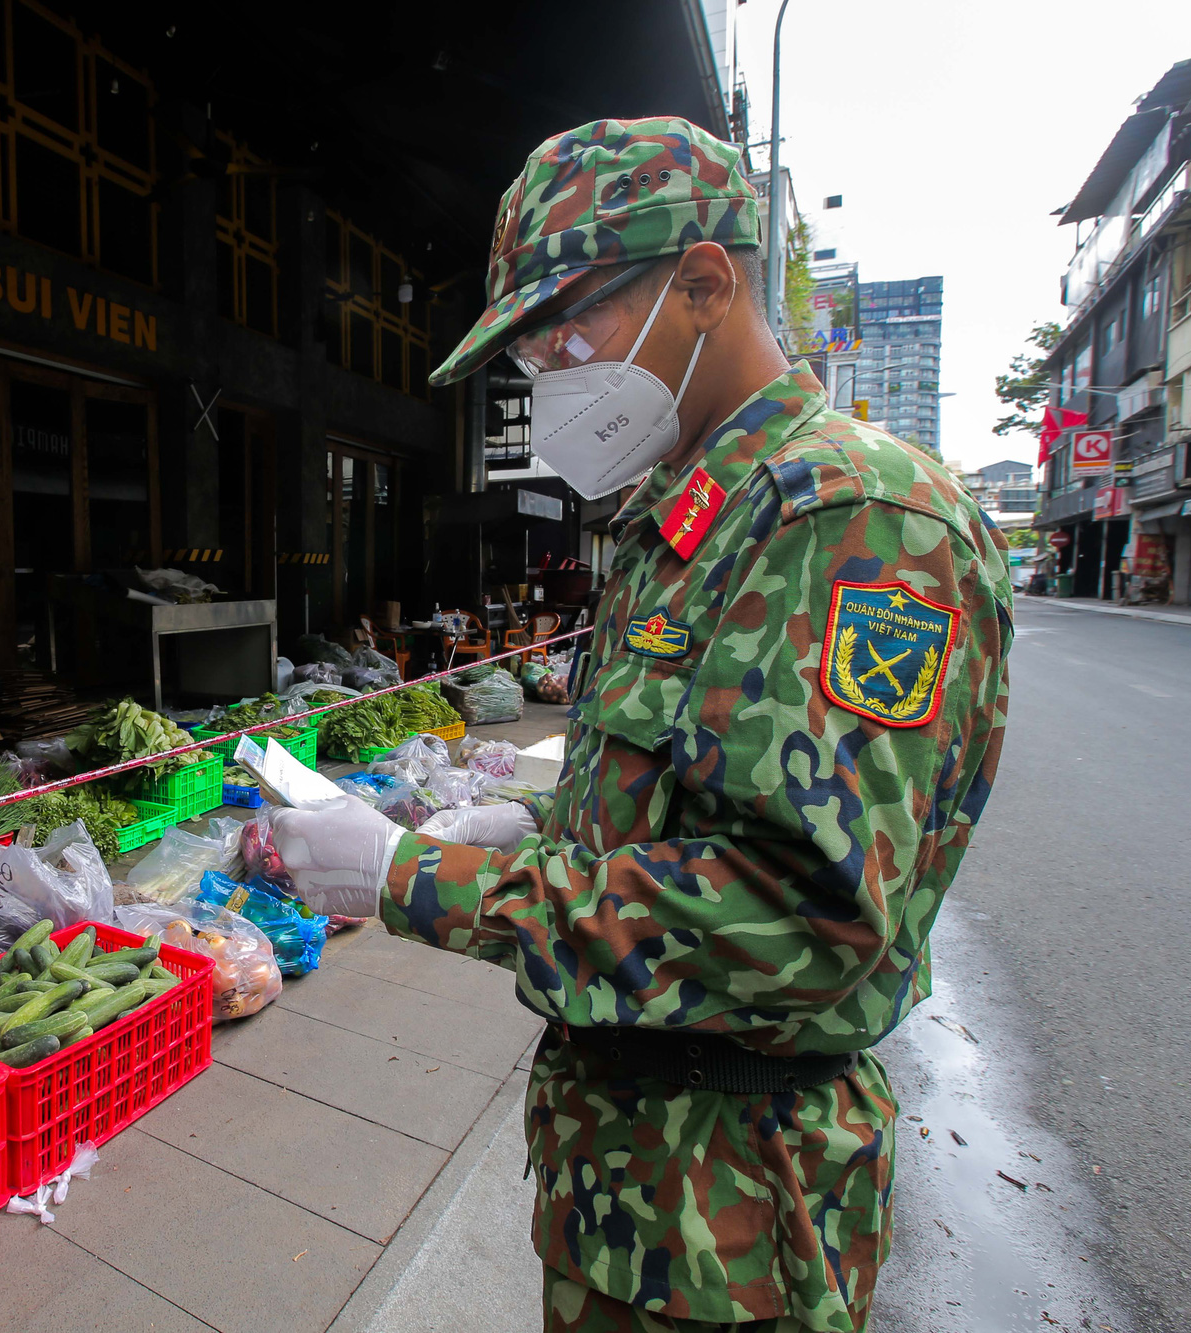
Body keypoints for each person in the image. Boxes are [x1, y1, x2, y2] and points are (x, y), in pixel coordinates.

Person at [268, 118, 1011, 1333]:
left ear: (705, 283)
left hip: (728, 1222)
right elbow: (689, 799)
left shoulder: (847, 521)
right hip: (638, 1190)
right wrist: (536, 814)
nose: (550, 370)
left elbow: (797, 918)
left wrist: (413, 879)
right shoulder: (697, 517)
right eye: (532, 346)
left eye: (572, 326)